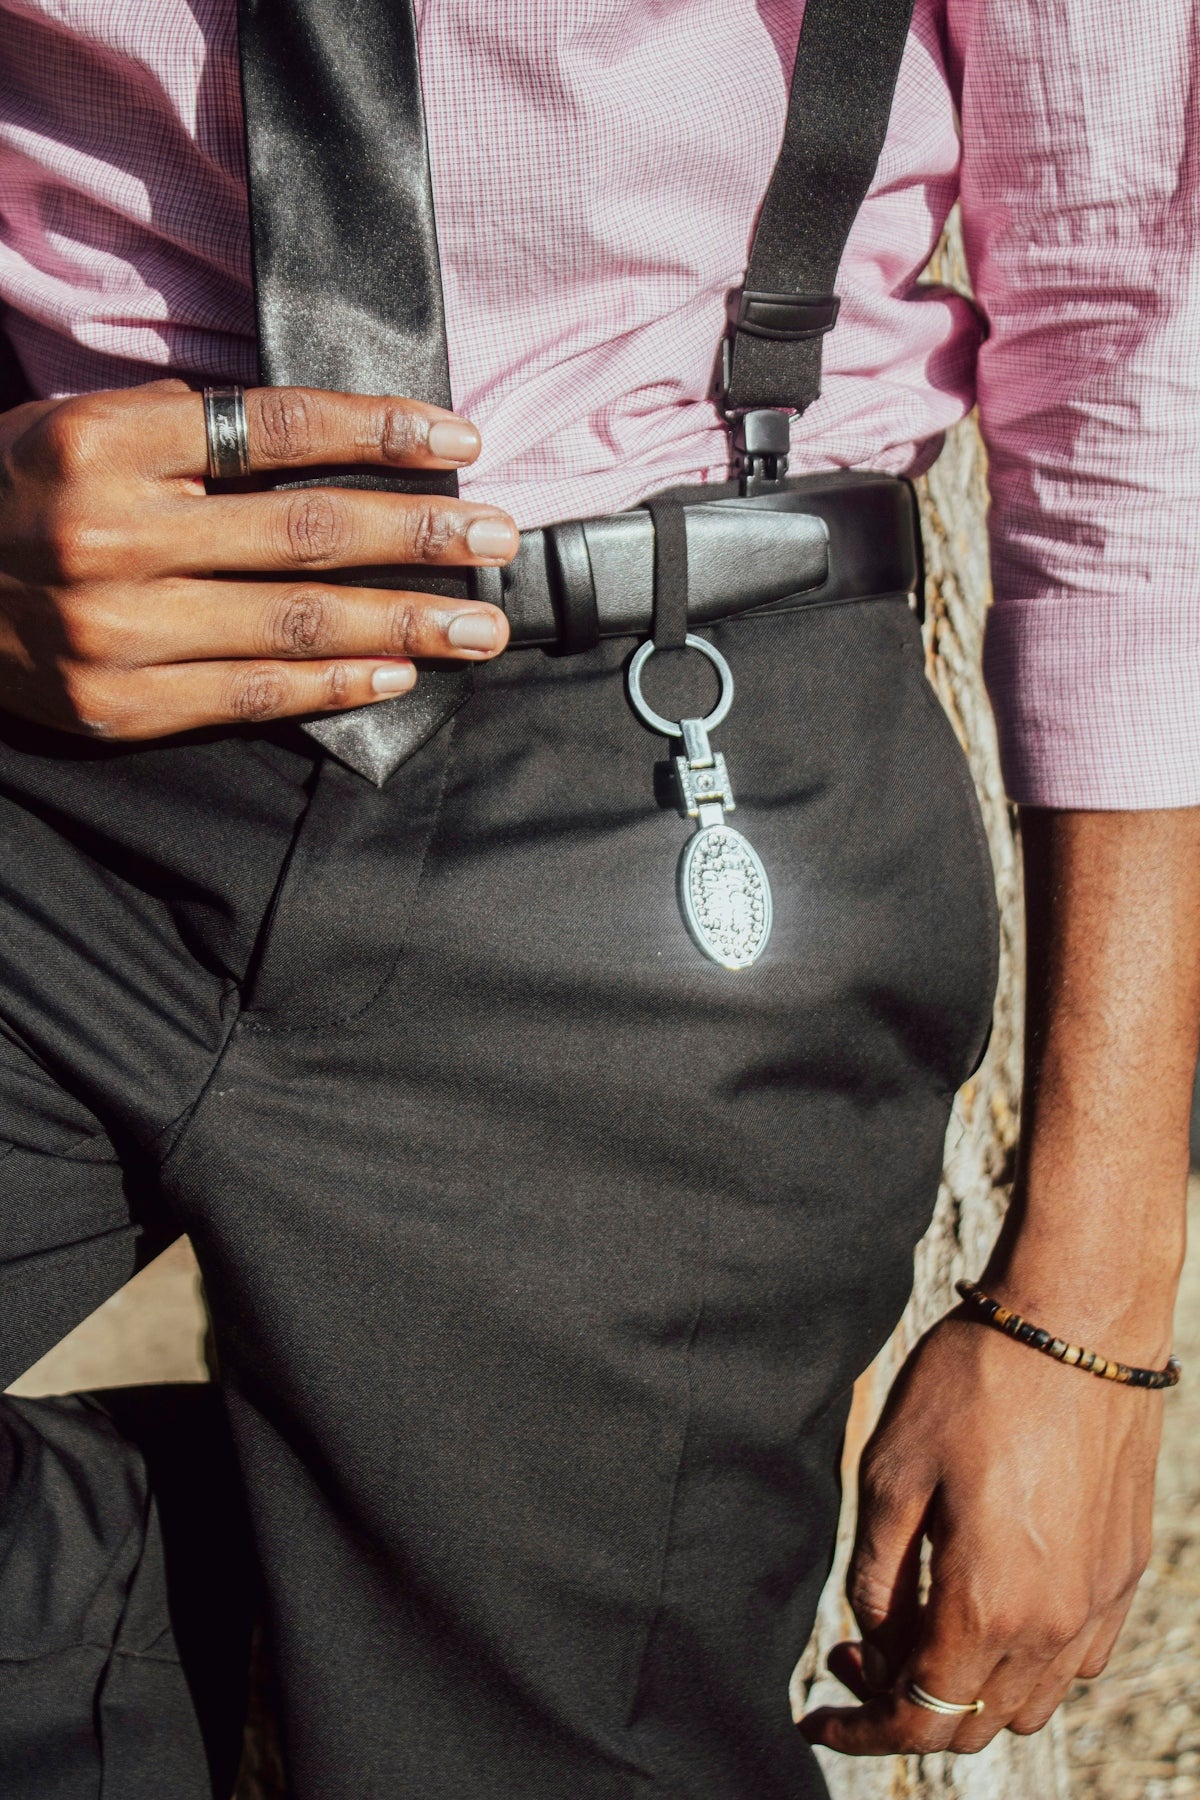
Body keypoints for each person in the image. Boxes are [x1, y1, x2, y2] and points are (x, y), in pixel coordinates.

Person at [1, 2, 1197, 1796]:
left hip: (661, 776)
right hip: (64, 698)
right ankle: (315, 1628)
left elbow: (1131, 326)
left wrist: (1088, 1318)